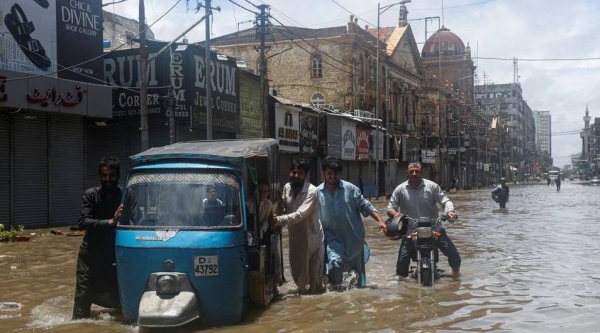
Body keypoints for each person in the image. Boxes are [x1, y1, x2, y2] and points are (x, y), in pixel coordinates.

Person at [73, 157, 140, 319]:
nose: (107, 179)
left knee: (121, 296)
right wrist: (110, 222)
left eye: (111, 175)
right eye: (104, 175)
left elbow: (138, 221)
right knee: (83, 295)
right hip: (91, 254)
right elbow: (82, 222)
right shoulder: (91, 195)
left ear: (118, 176)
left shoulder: (127, 195)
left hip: (115, 253)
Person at [317, 156, 387, 290]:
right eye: (329, 173)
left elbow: (365, 206)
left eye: (335, 173)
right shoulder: (316, 192)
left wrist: (380, 220)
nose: (332, 176)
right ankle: (337, 294)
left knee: (360, 281)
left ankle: (357, 303)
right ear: (324, 173)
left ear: (340, 174)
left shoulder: (351, 189)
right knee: (334, 263)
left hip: (353, 239)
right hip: (332, 239)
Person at [387, 162, 461, 279]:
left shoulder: (432, 186)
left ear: (422, 172)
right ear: (407, 173)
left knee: (454, 256)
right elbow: (390, 208)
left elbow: (445, 201)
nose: (414, 174)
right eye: (411, 171)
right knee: (401, 265)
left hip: (434, 228)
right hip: (410, 231)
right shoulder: (400, 189)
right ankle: (401, 286)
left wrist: (449, 212)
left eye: (417, 171)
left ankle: (456, 275)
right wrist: (397, 214)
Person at [272, 159, 325, 294]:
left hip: (314, 240)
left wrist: (279, 220)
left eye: (299, 173)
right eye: (293, 172)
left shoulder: (312, 191)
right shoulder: (287, 188)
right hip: (296, 240)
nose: (295, 175)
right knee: (299, 280)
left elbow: (301, 214)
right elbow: (284, 206)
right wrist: (278, 210)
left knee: (315, 285)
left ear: (306, 175)